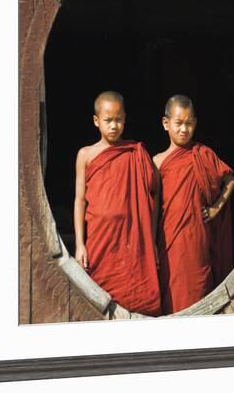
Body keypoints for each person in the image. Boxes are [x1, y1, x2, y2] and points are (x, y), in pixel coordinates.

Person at [73, 91, 161, 317]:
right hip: (100, 239)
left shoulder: (136, 153)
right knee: (98, 299)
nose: (114, 126)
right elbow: (79, 200)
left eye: (119, 119)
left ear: (125, 118)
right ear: (96, 121)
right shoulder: (86, 154)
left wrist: (151, 238)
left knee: (136, 297)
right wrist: (80, 244)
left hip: (132, 240)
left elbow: (155, 191)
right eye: (108, 120)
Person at [153, 95, 234, 315]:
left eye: (189, 124)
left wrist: (217, 207)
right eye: (178, 123)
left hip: (198, 239)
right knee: (172, 292)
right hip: (169, 239)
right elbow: (150, 209)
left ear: (195, 124)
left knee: (199, 291)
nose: (183, 129)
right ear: (165, 124)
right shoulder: (157, 162)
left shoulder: (203, 154)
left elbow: (230, 180)